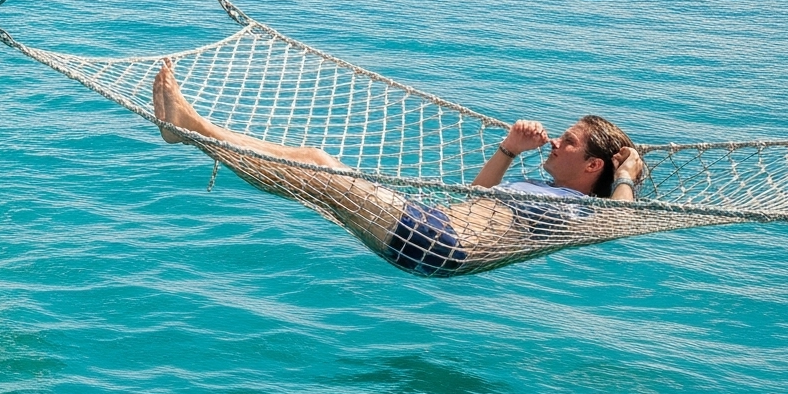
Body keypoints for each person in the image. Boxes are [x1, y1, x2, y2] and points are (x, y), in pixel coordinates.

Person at [151, 60, 645, 276]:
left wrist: (626, 177)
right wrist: (509, 151)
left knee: (320, 169)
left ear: (593, 165)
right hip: (433, 232)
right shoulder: (543, 187)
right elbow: (476, 198)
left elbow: (619, 221)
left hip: (439, 241)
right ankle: (196, 128)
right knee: (309, 160)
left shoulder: (579, 210)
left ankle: (192, 128)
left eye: (570, 142)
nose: (557, 142)